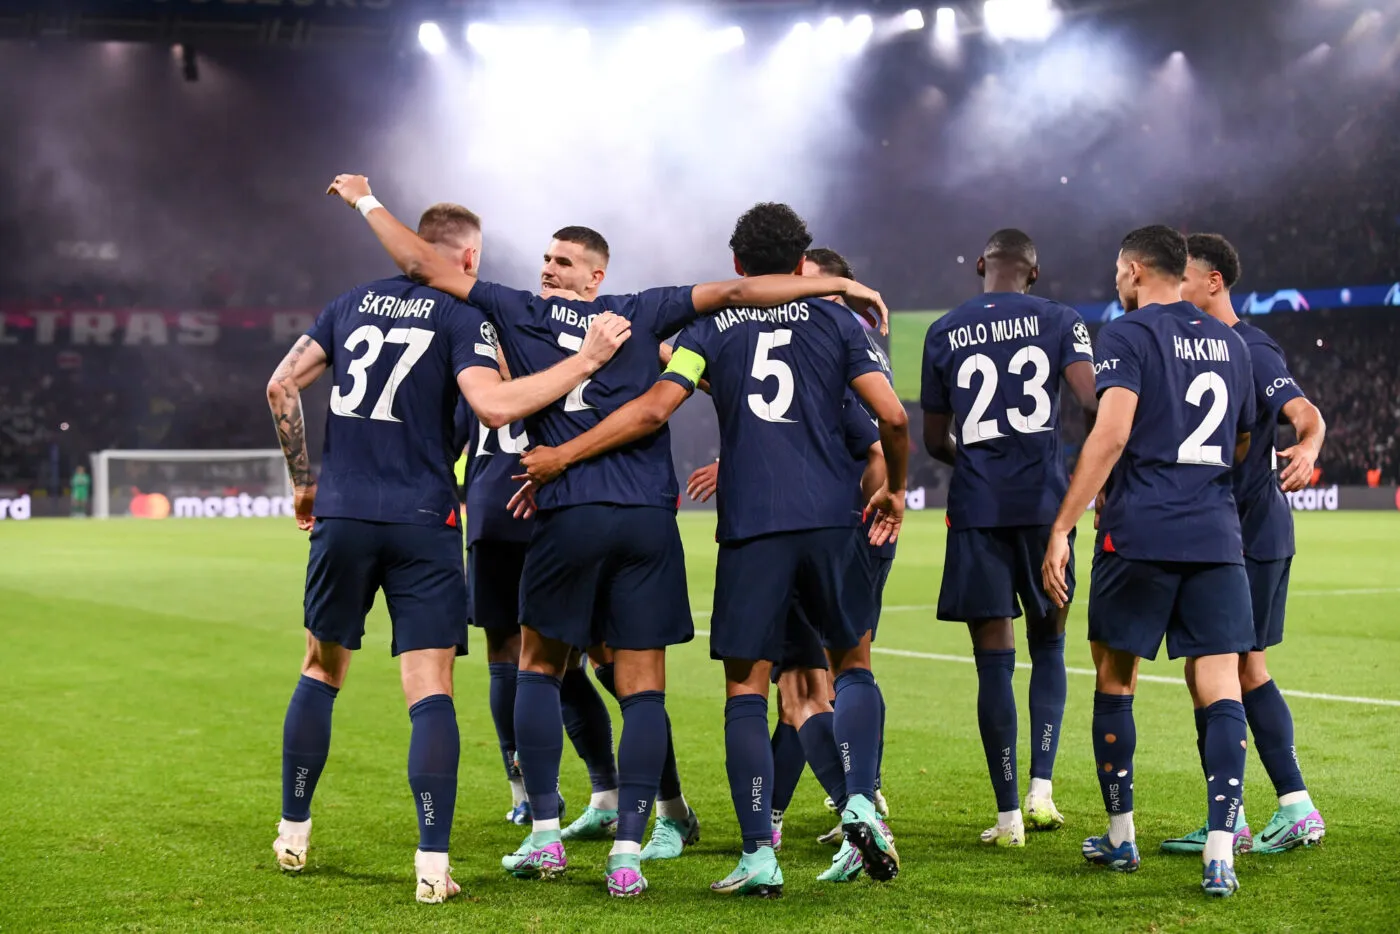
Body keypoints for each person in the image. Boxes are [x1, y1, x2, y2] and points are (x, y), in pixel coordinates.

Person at [328, 175, 889, 898]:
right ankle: (632, 847)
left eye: (562, 261)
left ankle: (554, 835)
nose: (547, 269)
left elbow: (421, 265)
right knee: (646, 683)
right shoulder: (633, 311)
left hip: (573, 513)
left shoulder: (543, 311)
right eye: (545, 258)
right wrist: (837, 287)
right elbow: (740, 293)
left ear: (596, 276)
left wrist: (366, 201)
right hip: (652, 519)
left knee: (541, 667)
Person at [515, 203, 909, 895]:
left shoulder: (710, 329)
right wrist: (896, 490)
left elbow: (654, 408)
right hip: (830, 522)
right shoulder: (838, 321)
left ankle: (759, 854)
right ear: (801, 264)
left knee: (745, 691)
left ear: (736, 264)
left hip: (752, 528)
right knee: (850, 667)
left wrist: (565, 454)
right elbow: (894, 417)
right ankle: (858, 801)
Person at [267, 198, 632, 904]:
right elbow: (493, 407)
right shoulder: (463, 316)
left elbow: (280, 384)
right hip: (423, 518)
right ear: (467, 258)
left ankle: (294, 831)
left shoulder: (348, 304)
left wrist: (304, 483)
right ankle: (432, 865)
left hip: (343, 511)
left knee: (320, 668)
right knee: (430, 690)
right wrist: (586, 360)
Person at [1042, 224, 1258, 897]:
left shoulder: (1126, 334)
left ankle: (1121, 836)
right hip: (1216, 536)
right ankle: (1220, 850)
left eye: (1118, 270)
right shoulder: (1231, 342)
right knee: (1220, 684)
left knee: (1116, 679)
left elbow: (1111, 434)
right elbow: (1242, 438)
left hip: (1139, 533)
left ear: (1136, 270)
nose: (1116, 281)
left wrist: (1062, 525)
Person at [919, 229, 1098, 847]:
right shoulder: (1061, 319)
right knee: (1050, 646)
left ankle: (1007, 820)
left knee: (992, 663)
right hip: (1046, 509)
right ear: (1034, 272)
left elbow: (933, 439)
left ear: (980, 265)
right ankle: (1042, 791)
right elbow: (1091, 401)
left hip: (978, 510)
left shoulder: (943, 330)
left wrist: (976, 462)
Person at [1168, 232, 1327, 855]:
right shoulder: (1198, 347)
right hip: (1222, 535)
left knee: (1241, 667)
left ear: (1213, 282)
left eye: (1183, 276)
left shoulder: (1251, 348)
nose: (1175, 287)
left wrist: (1308, 448)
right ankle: (1229, 816)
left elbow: (1305, 413)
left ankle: (1294, 806)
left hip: (1252, 534)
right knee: (1204, 667)